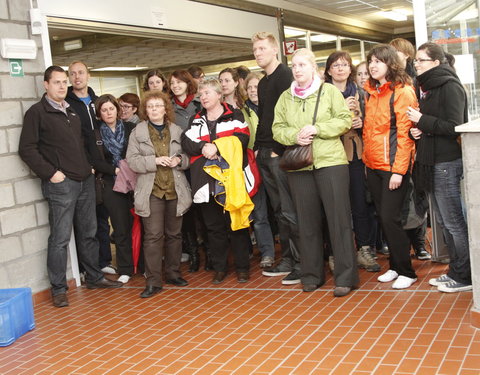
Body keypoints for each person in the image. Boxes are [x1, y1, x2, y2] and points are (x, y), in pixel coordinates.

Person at [19, 66, 123, 308]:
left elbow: (82, 145)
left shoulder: (73, 112)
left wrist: (89, 167)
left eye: (64, 82)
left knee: (89, 233)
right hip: (61, 184)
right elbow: (27, 149)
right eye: (56, 82)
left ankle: (94, 277)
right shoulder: (37, 113)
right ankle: (58, 289)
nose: (62, 86)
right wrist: (51, 173)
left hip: (84, 180)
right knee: (60, 238)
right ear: (46, 85)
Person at [272, 48, 358, 297]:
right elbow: (277, 128)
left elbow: (344, 120)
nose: (297, 69)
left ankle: (345, 277)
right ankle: (311, 275)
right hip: (299, 166)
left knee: (338, 220)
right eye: (294, 66)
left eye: (302, 65)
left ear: (313, 68)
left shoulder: (329, 91)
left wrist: (317, 128)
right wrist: (294, 135)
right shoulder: (285, 98)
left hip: (330, 163)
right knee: (306, 222)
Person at [407, 42, 471, 293]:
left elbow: (454, 126)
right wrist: (419, 130)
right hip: (432, 160)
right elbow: (434, 126)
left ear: (435, 63)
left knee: (454, 222)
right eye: (416, 61)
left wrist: (422, 121)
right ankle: (456, 270)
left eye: (421, 60)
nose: (417, 64)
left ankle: (465, 275)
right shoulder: (428, 87)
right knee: (445, 222)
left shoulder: (450, 86)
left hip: (446, 161)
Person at [181, 78, 252, 284]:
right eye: (201, 94)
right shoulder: (195, 119)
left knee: (236, 225)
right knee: (213, 227)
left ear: (219, 95)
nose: (203, 97)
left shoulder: (234, 115)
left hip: (230, 180)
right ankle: (220, 268)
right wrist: (205, 148)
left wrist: (218, 146)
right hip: (205, 180)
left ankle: (242, 268)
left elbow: (242, 138)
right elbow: (187, 142)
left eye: (207, 93)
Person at [362, 44, 418, 289]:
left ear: (390, 63)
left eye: (378, 61)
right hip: (373, 165)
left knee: (390, 218)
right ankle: (395, 267)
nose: (373, 65)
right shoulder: (372, 92)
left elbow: (405, 136)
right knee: (384, 219)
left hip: (393, 167)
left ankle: (407, 271)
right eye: (370, 61)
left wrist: (399, 170)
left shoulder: (403, 91)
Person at [126, 91, 191, 298]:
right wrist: (154, 161)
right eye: (150, 106)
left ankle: (173, 273)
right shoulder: (138, 132)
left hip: (175, 188)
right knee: (153, 236)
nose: (154, 109)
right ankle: (153, 281)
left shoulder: (177, 130)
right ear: (146, 110)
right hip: (151, 190)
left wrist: (179, 160)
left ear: (165, 109)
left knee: (175, 234)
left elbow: (190, 157)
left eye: (158, 106)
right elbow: (133, 161)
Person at [251, 31, 300, 285]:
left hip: (281, 154)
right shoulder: (262, 82)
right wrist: (259, 147)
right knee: (279, 211)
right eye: (255, 50)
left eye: (262, 49)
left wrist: (278, 149)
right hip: (265, 153)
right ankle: (289, 258)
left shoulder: (286, 77)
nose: (258, 53)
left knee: (290, 210)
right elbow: (265, 118)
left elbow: (291, 118)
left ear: (274, 51)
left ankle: (300, 262)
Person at [324, 51, 380, 273]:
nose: (340, 68)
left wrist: (360, 122)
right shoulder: (323, 94)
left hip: (356, 153)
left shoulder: (361, 91)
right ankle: (337, 252)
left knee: (360, 204)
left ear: (351, 70)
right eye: (335, 65)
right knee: (336, 207)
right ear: (329, 70)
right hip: (332, 154)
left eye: (345, 65)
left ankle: (364, 249)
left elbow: (374, 122)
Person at [66, 61, 114, 275]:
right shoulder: (66, 103)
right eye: (73, 74)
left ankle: (104, 260)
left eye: (81, 73)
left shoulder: (98, 101)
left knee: (103, 218)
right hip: (84, 170)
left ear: (89, 75)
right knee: (86, 222)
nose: (77, 77)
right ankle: (88, 267)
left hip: (104, 168)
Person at [390, 38, 431, 261]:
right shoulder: (389, 82)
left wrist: (419, 128)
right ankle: (406, 245)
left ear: (406, 55)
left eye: (397, 52)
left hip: (418, 146)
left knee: (418, 197)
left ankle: (420, 243)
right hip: (399, 148)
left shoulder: (417, 81)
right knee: (404, 198)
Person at [91, 94, 135, 284]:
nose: (108, 112)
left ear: (117, 110)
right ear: (99, 114)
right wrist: (115, 169)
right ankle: (125, 268)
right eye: (104, 110)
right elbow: (95, 161)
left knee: (141, 224)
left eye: (111, 108)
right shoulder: (95, 135)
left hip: (135, 180)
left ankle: (142, 264)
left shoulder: (130, 128)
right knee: (121, 227)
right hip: (111, 182)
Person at [168, 69, 203, 272]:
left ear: (187, 83)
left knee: (205, 209)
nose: (175, 85)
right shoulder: (169, 109)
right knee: (187, 211)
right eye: (172, 83)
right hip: (182, 164)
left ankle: (210, 250)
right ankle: (193, 254)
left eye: (179, 82)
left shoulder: (199, 104)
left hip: (202, 161)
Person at [241, 72, 275, 268]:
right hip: (252, 166)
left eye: (257, 86)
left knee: (280, 210)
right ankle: (267, 253)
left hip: (271, 160)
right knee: (260, 213)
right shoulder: (242, 111)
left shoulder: (271, 107)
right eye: (250, 87)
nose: (254, 91)